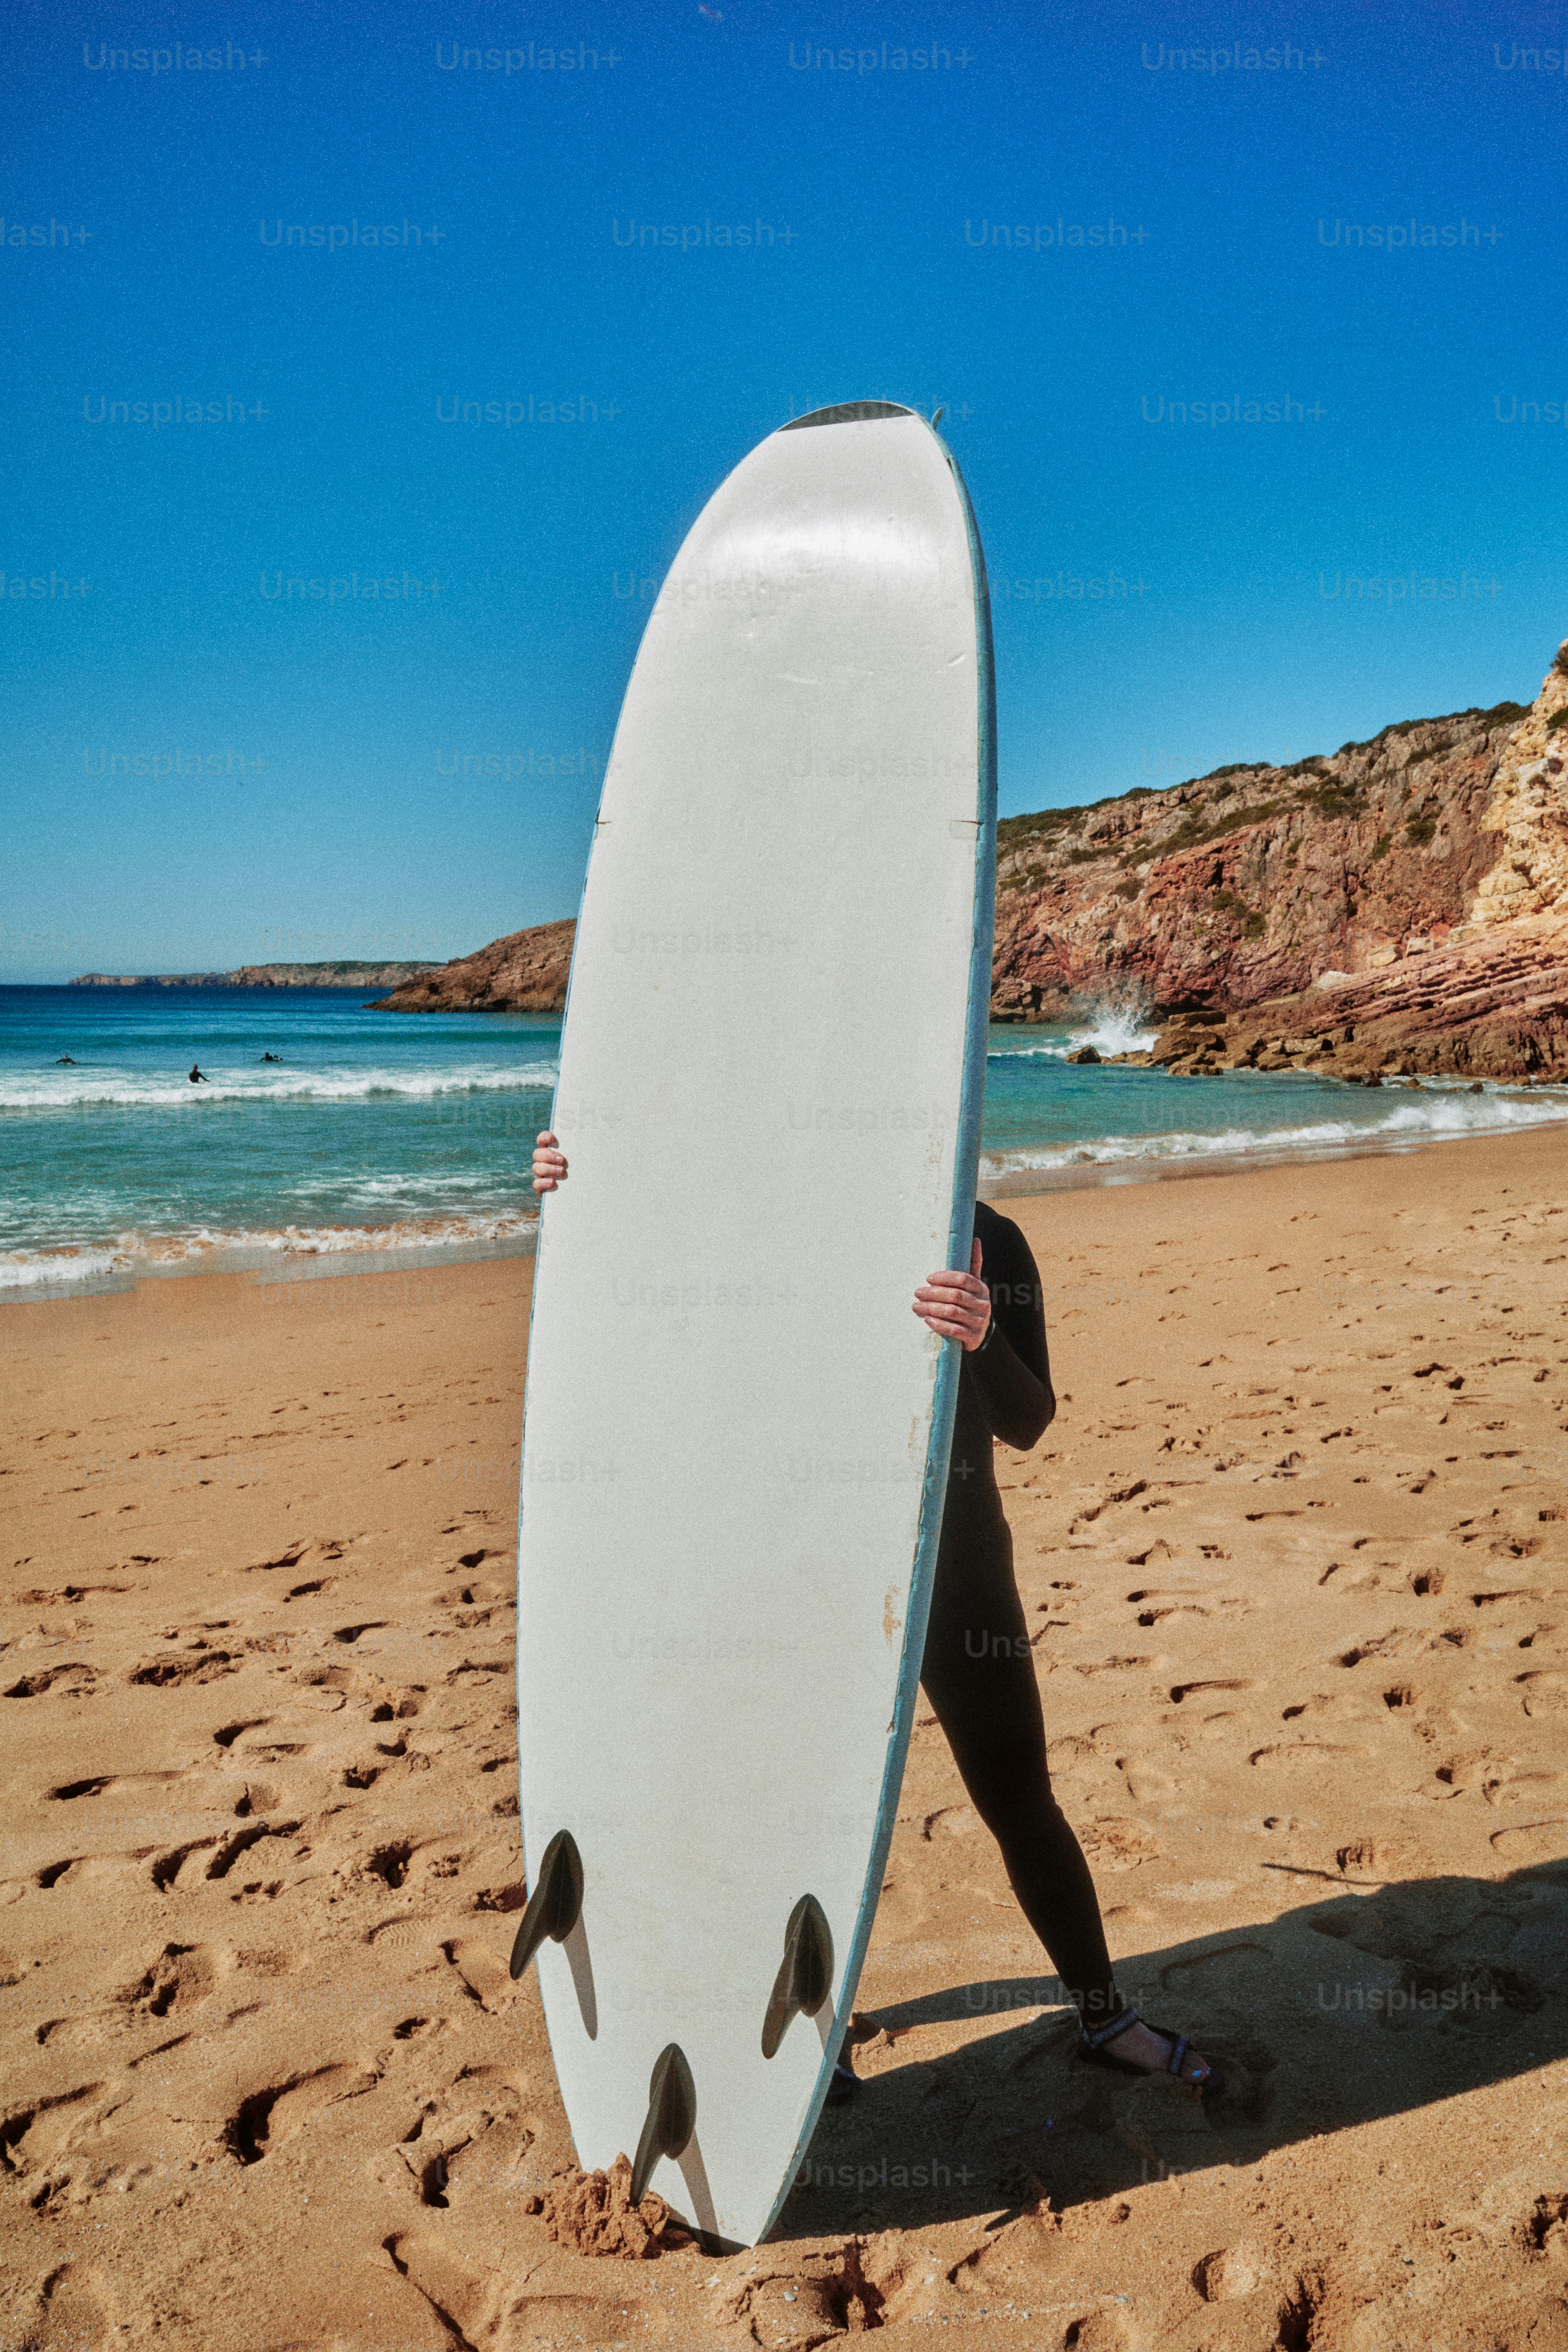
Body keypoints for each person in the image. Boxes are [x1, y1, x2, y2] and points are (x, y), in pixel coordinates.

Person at [530, 1131, 1220, 2099]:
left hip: (960, 1564)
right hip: (817, 1569)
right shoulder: (786, 1234)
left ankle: (1105, 2018)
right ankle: (820, 2038)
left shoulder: (990, 1237)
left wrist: (980, 1334)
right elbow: (653, 1296)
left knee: (1018, 1796)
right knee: (806, 1809)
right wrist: (582, 1188)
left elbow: (1030, 1421)